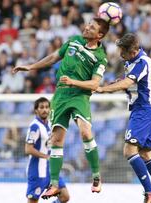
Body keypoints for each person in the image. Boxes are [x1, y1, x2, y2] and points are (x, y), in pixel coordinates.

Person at [13, 17, 110, 198]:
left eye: (92, 27)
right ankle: (55, 184)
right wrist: (31, 67)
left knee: (85, 132)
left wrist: (74, 82)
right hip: (60, 95)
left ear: (100, 35)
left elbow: (95, 84)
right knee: (56, 141)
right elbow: (53, 57)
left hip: (79, 95)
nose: (87, 27)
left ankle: (96, 176)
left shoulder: (100, 57)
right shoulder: (74, 40)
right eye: (88, 24)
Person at [96, 33, 151, 203]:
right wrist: (118, 83)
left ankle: (150, 191)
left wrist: (104, 89)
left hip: (143, 110)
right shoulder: (130, 62)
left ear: (132, 51)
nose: (120, 55)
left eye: (122, 52)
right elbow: (130, 83)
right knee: (146, 155)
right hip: (142, 110)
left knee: (129, 150)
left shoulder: (142, 62)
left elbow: (128, 83)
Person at [25, 97, 70, 203]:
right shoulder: (35, 126)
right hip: (37, 171)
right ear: (36, 110)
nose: (44, 110)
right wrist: (46, 157)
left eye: (46, 107)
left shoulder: (50, 125)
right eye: (41, 107)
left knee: (64, 196)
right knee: (33, 200)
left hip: (51, 170)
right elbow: (28, 149)